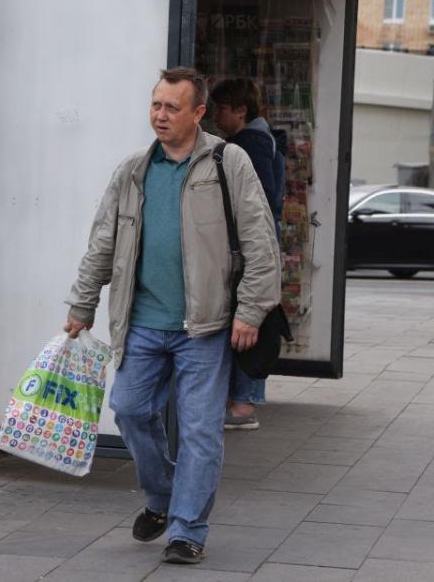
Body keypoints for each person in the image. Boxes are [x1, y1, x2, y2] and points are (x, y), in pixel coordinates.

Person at [64, 67, 280, 564]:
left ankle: (187, 529)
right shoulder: (134, 169)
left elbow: (260, 241)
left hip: (204, 327)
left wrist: (250, 310)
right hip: (141, 322)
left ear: (199, 113)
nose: (160, 116)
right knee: (130, 410)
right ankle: (161, 497)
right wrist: (82, 303)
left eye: (172, 107)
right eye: (156, 105)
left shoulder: (230, 162)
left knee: (201, 429)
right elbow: (103, 242)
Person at [210, 77, 286, 431]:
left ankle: (243, 405)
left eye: (221, 108)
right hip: (257, 245)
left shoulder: (248, 144)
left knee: (250, 323)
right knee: (250, 321)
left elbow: (261, 202)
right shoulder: (259, 139)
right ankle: (240, 401)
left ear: (240, 110)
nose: (215, 115)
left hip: (251, 248)